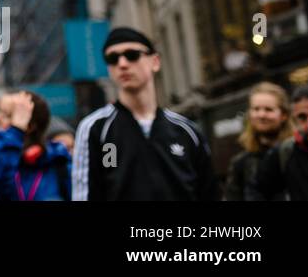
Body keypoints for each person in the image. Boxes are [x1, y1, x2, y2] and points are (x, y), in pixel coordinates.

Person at [73, 27, 219, 201]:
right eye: (112, 59)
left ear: (155, 61)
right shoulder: (95, 129)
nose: (122, 64)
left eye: (132, 55)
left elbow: (210, 193)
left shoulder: (187, 131)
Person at [0, 91, 70, 201]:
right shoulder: (3, 161)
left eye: (7, 115)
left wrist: (16, 129)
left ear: (30, 126)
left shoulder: (58, 161)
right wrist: (15, 132)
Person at [224, 82, 292, 201]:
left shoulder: (296, 154)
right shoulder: (240, 164)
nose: (261, 114)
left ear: (284, 115)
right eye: (256, 109)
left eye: (268, 109)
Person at [255, 84, 308, 200]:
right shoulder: (285, 153)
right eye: (302, 117)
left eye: (268, 109)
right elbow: (258, 190)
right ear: (293, 119)